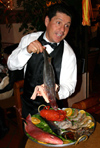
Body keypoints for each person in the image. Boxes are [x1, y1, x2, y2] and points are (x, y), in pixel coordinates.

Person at [7, 2, 77, 119]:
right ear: (47, 21)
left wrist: (56, 91)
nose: (62, 29)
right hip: (28, 106)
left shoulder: (69, 54)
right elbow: (11, 65)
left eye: (67, 25)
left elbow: (70, 86)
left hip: (54, 109)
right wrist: (26, 51)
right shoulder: (29, 39)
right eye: (58, 22)